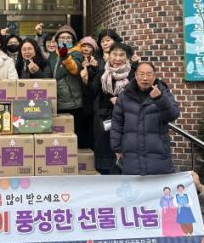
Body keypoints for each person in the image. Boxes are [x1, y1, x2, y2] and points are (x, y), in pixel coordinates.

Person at [110, 61, 179, 175]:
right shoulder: (125, 96)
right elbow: (117, 122)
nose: (145, 78)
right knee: (132, 185)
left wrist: (160, 99)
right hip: (131, 155)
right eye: (141, 74)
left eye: (149, 74)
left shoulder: (163, 93)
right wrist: (116, 147)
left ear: (154, 76)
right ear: (136, 76)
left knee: (159, 184)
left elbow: (173, 115)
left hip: (158, 155)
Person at [91, 43, 135, 174]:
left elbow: (139, 97)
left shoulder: (133, 75)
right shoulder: (102, 73)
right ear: (108, 56)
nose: (117, 58)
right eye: (114, 54)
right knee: (105, 157)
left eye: (121, 55)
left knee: (125, 157)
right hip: (104, 120)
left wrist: (122, 101)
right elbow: (92, 93)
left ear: (127, 57)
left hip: (127, 120)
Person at [48, 25, 89, 148]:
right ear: (57, 40)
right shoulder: (53, 55)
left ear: (73, 40)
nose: (65, 40)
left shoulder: (76, 53)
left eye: (68, 38)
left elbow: (74, 69)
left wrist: (65, 56)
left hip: (72, 102)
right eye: (62, 38)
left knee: (73, 137)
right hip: (56, 101)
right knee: (59, 138)